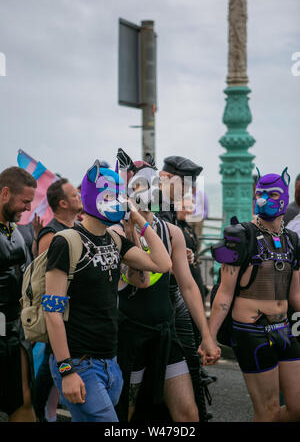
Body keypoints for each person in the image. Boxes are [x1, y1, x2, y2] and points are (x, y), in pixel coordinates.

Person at [44, 160, 172, 422]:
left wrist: (138, 219)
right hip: (80, 363)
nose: (117, 202)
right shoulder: (66, 242)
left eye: (119, 196)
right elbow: (52, 312)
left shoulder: (114, 240)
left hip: (110, 362)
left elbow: (163, 263)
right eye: (110, 195)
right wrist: (66, 370)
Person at [115, 149, 220, 423]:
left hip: (164, 332)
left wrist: (207, 336)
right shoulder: (115, 232)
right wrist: (134, 226)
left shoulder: (170, 230)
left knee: (188, 414)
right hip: (130, 336)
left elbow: (188, 286)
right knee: (127, 412)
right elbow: (142, 279)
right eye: (138, 186)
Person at [209, 167, 300, 422]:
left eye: (271, 194)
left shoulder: (293, 240)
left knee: (296, 408)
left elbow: (296, 296)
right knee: (267, 411)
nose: (263, 199)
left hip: (284, 328)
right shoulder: (241, 236)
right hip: (251, 332)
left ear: (282, 197)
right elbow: (224, 294)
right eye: (260, 193)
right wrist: (209, 337)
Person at [157, 155, 216, 420]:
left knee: (190, 399)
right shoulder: (144, 207)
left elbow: (187, 283)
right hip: (141, 316)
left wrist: (183, 255)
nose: (188, 194)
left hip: (173, 302)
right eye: (185, 187)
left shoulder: (169, 208)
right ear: (166, 178)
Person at [33, 178, 83, 422]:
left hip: (75, 312)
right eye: (75, 195)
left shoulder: (76, 228)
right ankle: (39, 412)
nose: (80, 197)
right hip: (57, 312)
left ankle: (49, 411)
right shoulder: (52, 233)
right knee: (52, 362)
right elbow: (42, 279)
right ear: (62, 203)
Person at [0, 166, 37, 422]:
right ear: (5, 193)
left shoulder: (16, 230)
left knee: (23, 400)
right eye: (25, 201)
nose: (28, 208)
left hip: (15, 330)